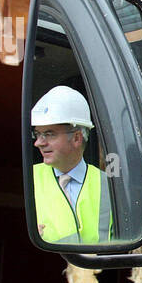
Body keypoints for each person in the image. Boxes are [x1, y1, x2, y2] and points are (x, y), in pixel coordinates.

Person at [31, 85, 112, 244]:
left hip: (98, 268)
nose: (38, 143)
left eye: (49, 134)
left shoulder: (109, 185)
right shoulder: (28, 179)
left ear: (76, 138)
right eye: (38, 134)